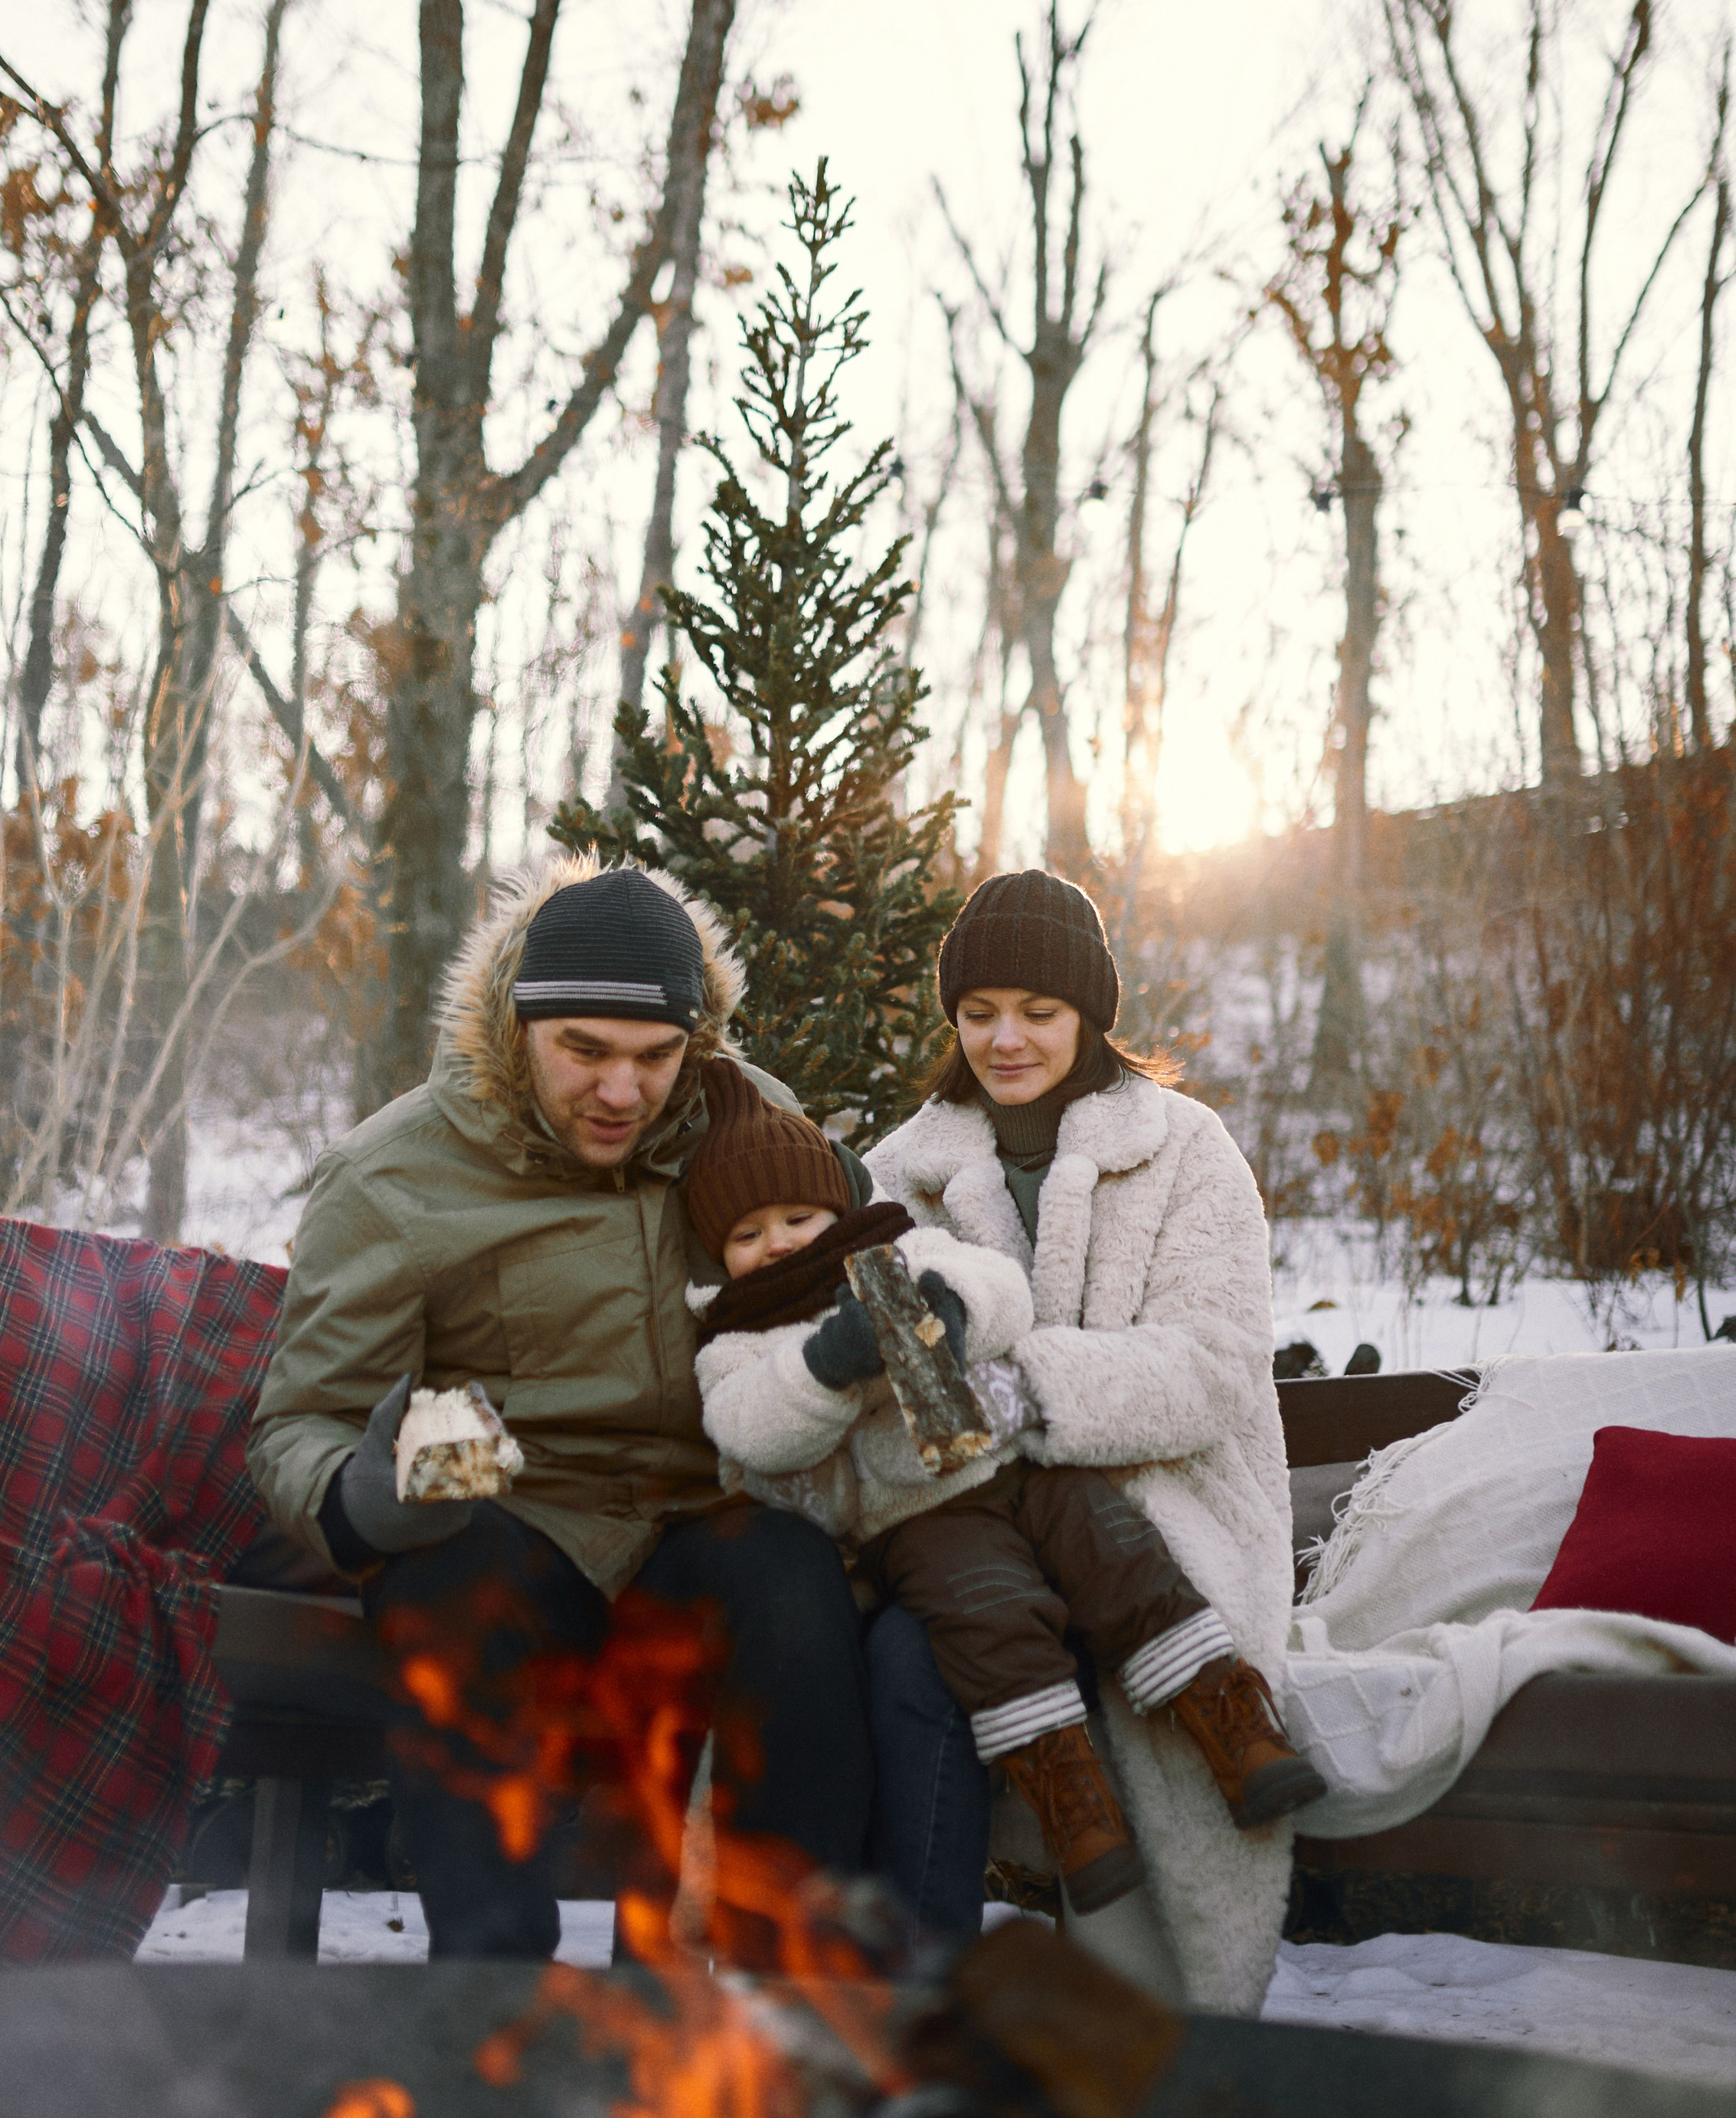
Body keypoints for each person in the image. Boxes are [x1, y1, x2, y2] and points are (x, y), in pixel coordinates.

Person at [245, 855, 872, 1963]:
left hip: (700, 1521)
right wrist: (363, 1497)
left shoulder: (748, 1124)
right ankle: (493, 1991)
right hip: (526, 1532)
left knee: (792, 1577)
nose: (622, 1092)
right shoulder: (394, 1177)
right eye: (583, 1051)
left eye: (654, 1057)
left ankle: (784, 2003)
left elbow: (848, 1263)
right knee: (447, 1580)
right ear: (514, 1029)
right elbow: (299, 1422)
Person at [684, 1057, 1322, 1920]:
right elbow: (748, 1427)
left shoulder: (894, 1249)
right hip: (916, 1519)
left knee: (1120, 1555)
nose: (781, 1243)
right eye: (749, 1232)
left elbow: (1001, 1290)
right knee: (990, 1621)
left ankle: (1230, 1719)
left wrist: (952, 1305)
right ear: (717, 1253)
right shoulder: (740, 1335)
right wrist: (822, 1367)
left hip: (1019, 1467)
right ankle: (1074, 1806)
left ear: (834, 1209)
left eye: (798, 1216)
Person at [861, 869, 1305, 2015]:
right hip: (969, 1525)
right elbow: (890, 1378)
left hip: (1162, 1508)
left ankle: (1152, 2026)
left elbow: (1209, 1367)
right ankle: (922, 2008)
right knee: (910, 1660)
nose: (1005, 1039)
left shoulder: (1186, 1150)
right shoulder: (898, 1174)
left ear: (1091, 1015)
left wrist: (1028, 1394)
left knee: (1114, 1621)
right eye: (978, 1013)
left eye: (1038, 1011)